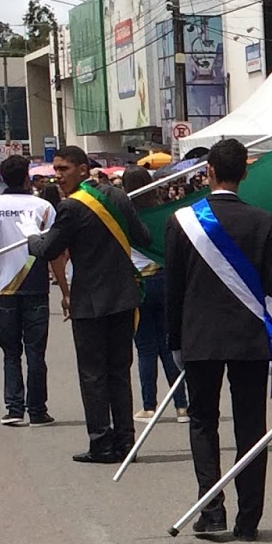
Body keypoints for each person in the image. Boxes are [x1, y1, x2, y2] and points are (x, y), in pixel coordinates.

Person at [163, 138, 272, 541]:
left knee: (203, 422)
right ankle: (249, 518)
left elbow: (174, 289)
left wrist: (174, 340)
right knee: (252, 426)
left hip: (199, 337)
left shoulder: (181, 221)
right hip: (249, 337)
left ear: (209, 172)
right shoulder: (262, 220)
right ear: (244, 174)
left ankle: (211, 508)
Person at [27, 145, 151, 463]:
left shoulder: (71, 208)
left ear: (83, 169)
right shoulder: (119, 196)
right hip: (124, 295)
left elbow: (47, 248)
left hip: (91, 301)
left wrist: (31, 238)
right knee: (119, 372)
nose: (57, 176)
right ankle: (126, 442)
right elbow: (143, 237)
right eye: (55, 170)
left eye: (63, 169)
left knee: (94, 375)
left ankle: (102, 443)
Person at [0, 154, 69, 426]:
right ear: (27, 177)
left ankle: (14, 409)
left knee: (10, 352)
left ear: (2, 178)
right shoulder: (44, 208)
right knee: (36, 352)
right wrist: (65, 291)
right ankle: (38, 411)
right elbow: (55, 255)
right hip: (36, 287)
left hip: (4, 289)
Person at [120, 167, 188, 424]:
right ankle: (182, 405)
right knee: (170, 345)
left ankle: (149, 406)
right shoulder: (163, 213)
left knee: (146, 348)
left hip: (138, 283)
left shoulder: (123, 216)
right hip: (165, 279)